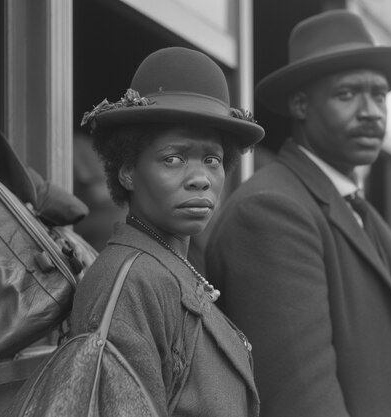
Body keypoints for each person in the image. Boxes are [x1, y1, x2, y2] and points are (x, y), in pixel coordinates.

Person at [205, 10, 391, 417]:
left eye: (379, 96)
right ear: (301, 105)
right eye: (348, 95)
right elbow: (302, 402)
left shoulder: (355, 208)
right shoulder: (272, 211)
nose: (372, 112)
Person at [69, 47, 265, 416]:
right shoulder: (129, 281)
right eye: (173, 159)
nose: (199, 179)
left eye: (212, 160)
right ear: (127, 171)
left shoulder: (172, 266)